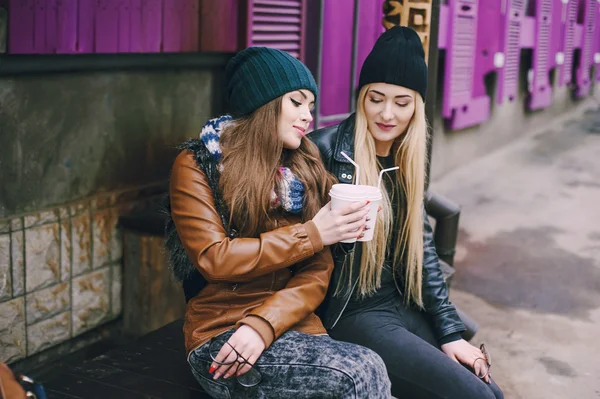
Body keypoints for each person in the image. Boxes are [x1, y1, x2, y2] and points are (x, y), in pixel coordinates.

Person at [165, 47, 391, 399]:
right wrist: (314, 233)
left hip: (293, 325)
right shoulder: (198, 165)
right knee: (360, 372)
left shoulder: (305, 166)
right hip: (223, 335)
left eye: (311, 107)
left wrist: (264, 324)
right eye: (297, 102)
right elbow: (215, 257)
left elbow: (317, 272)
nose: (308, 117)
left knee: (368, 371)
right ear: (264, 103)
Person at [309, 26, 504, 399]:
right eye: (376, 98)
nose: (386, 114)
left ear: (417, 106)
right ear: (361, 96)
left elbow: (423, 247)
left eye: (402, 102)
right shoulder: (324, 152)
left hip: (399, 302)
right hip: (351, 312)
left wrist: (448, 331)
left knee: (492, 392)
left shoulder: (407, 158)